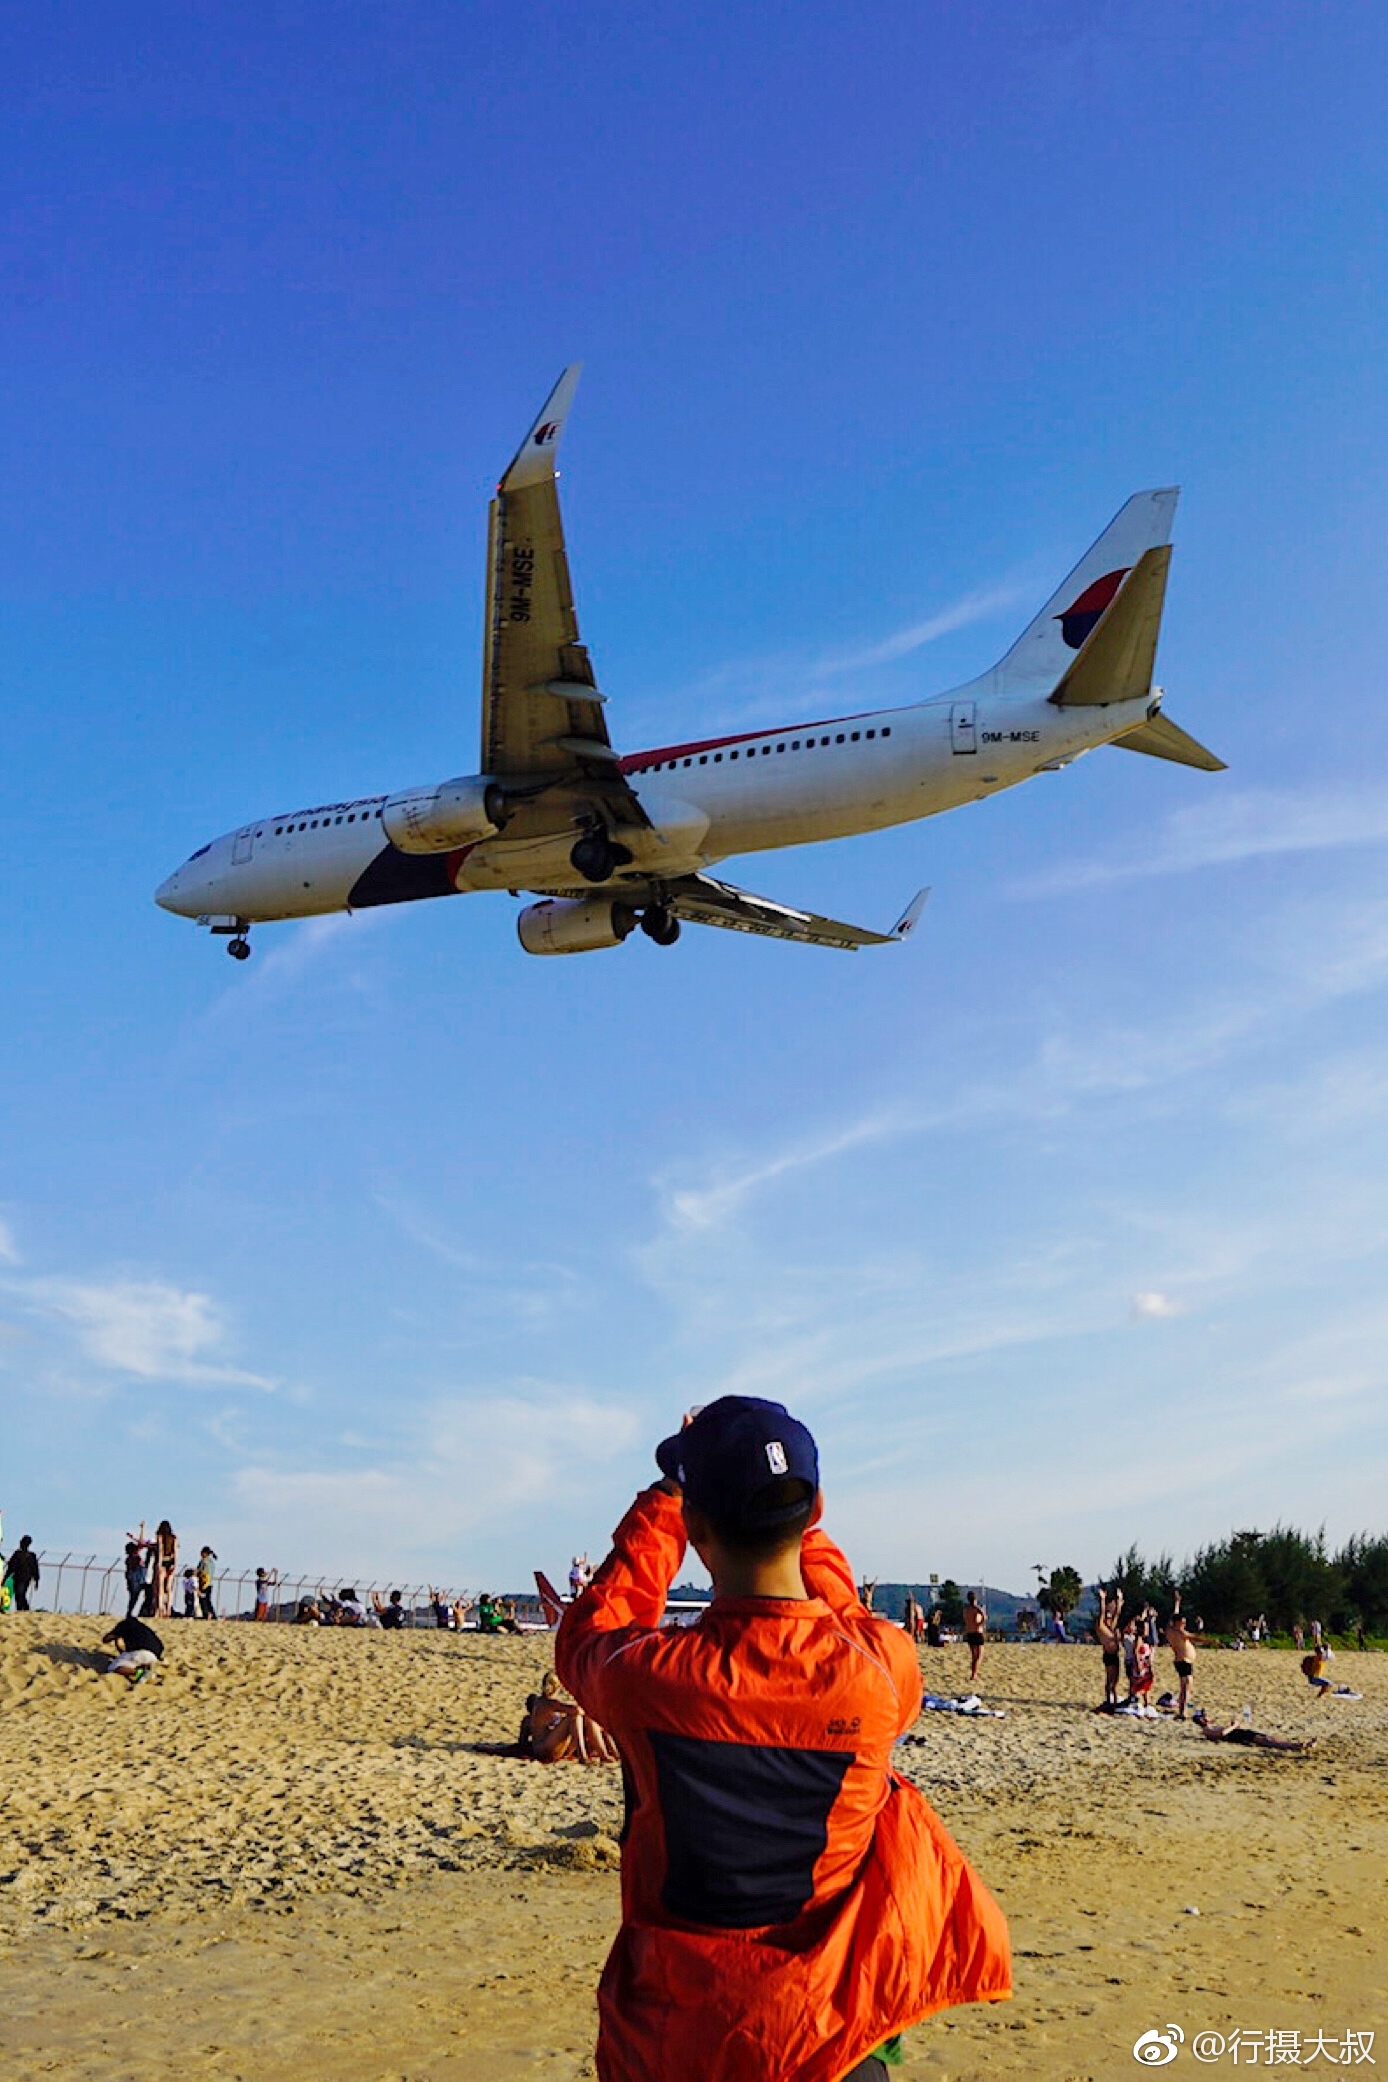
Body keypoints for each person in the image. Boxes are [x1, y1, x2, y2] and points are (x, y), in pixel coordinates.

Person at [556, 1395, 1011, 2082]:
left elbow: (594, 1628)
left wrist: (665, 1500)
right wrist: (798, 1523)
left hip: (676, 2038)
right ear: (814, 1513)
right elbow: (842, 1610)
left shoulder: (647, 1679)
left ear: (696, 1529)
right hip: (830, 2033)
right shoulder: (879, 1669)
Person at [1192, 1710, 1314, 1753]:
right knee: (1268, 1741)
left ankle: (1296, 1745)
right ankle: (1299, 1746)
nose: (1208, 1716)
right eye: (1205, 1716)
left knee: (1270, 1738)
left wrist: (1234, 1725)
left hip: (1239, 1733)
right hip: (1239, 1736)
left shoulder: (1210, 1727)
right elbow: (1222, 1734)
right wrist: (1233, 1726)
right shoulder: (1207, 1730)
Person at [1164, 1594, 1201, 1720]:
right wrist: (1213, 1641)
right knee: (1185, 1686)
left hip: (1181, 1661)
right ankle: (1182, 1711)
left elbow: (1173, 1617)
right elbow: (1195, 1637)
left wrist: (1177, 1604)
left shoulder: (1169, 1630)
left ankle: (1182, 1708)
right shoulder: (1179, 1632)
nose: (1184, 1624)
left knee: (1186, 1685)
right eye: (1182, 1622)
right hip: (1183, 1661)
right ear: (1178, 1623)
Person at [101, 1612, 165, 1683]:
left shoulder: (124, 1625)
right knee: (135, 1658)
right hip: (155, 1655)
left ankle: (138, 1673)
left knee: (112, 1668)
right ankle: (148, 1671)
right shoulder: (143, 1628)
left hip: (140, 1652)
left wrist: (117, 1636)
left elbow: (105, 1639)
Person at [1095, 1585, 1124, 1710]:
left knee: (1116, 1681)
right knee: (1110, 1680)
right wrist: (1102, 1600)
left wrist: (1119, 1600)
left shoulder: (1111, 1627)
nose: (1108, 1618)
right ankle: (1109, 1700)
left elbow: (1117, 1613)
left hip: (1115, 1655)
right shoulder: (1101, 1627)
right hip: (1109, 1655)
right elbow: (1101, 1614)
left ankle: (1114, 1700)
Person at [5, 1535, 40, 1612]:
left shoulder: (22, 1555)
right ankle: (21, 1610)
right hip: (21, 1577)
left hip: (23, 1578)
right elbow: (11, 1566)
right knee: (19, 1594)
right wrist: (36, 1580)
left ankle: (24, 1609)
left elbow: (35, 1568)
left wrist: (36, 1580)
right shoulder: (21, 1555)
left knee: (20, 1594)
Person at [152, 1521, 178, 1618]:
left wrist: (159, 1564)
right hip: (171, 1562)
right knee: (169, 1588)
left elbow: (160, 1551)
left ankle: (160, 1609)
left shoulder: (160, 1537)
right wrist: (175, 1564)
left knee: (160, 1588)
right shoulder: (174, 1538)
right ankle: (168, 1609)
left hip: (162, 1562)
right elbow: (175, 1552)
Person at [962, 1590, 987, 1684]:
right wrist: (980, 1624)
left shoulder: (966, 1609)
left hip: (970, 1632)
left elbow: (965, 1620)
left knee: (973, 1655)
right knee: (979, 1655)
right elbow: (984, 1617)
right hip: (977, 1632)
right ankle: (974, 1674)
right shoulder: (976, 1608)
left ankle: (973, 1673)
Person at [123, 1534, 149, 1619]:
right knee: (134, 1597)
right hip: (136, 1579)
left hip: (137, 1579)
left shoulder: (132, 1558)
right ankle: (129, 1612)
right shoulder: (133, 1558)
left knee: (135, 1597)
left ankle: (131, 1611)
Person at [196, 1546, 218, 1621]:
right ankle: (213, 1615)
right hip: (210, 1583)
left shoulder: (203, 1562)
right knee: (208, 1600)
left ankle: (207, 1614)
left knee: (203, 1600)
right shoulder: (212, 1562)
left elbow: (201, 1572)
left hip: (203, 1584)